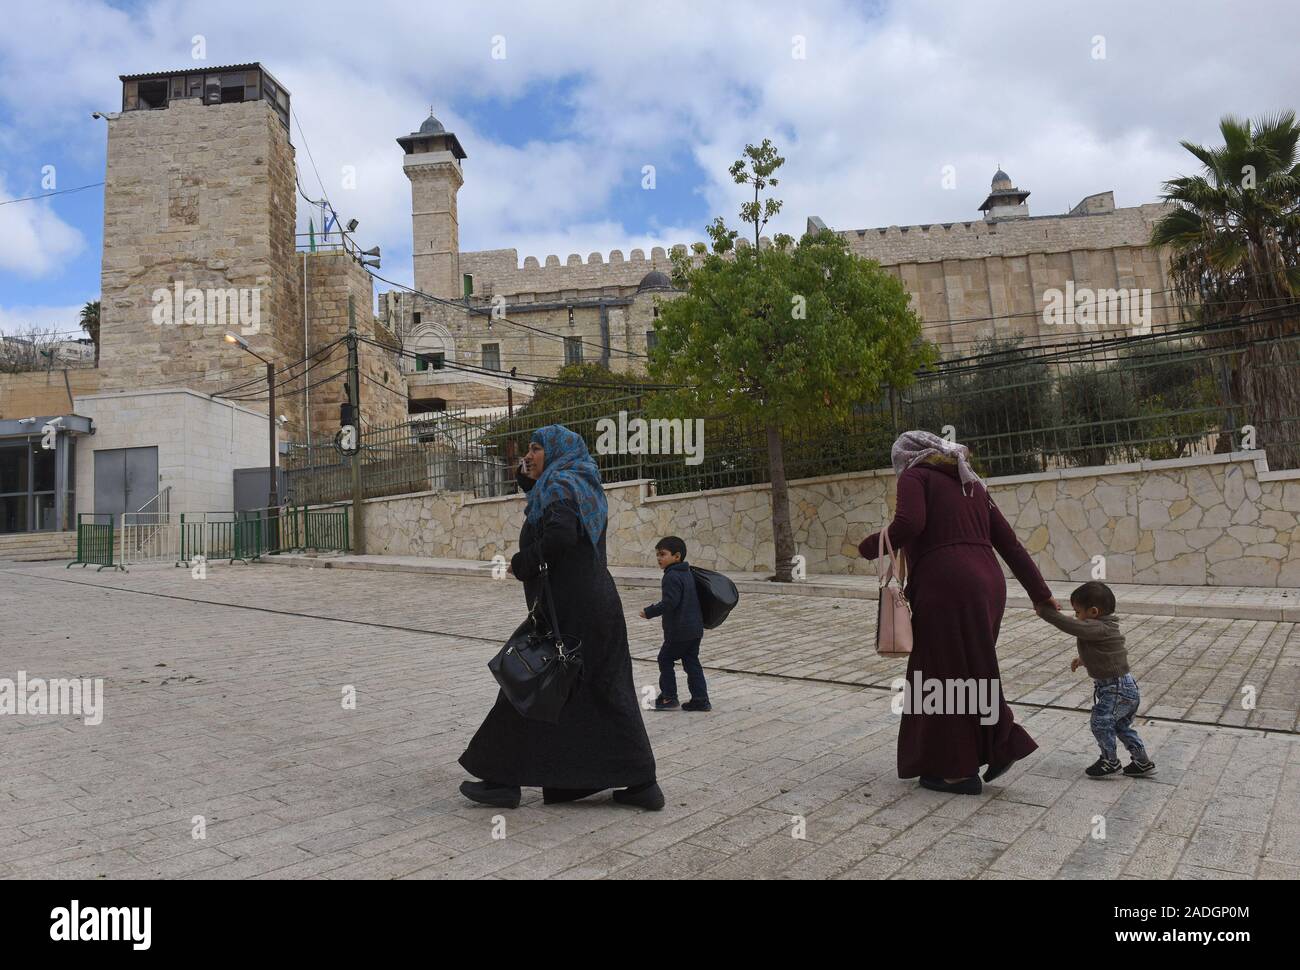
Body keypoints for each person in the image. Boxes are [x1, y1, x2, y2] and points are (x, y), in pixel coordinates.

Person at [458, 425, 664, 811]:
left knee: (531, 685)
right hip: (593, 606)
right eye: (529, 448)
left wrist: (524, 562)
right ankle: (618, 782)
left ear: (556, 453)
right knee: (593, 692)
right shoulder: (578, 481)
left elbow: (560, 535)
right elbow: (548, 507)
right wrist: (526, 474)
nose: (530, 455)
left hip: (576, 611)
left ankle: (501, 778)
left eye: (537, 448)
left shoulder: (559, 488)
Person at [858, 430, 1057, 795]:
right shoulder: (974, 485)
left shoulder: (915, 477)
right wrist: (1040, 595)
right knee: (968, 669)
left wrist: (870, 546)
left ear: (906, 456)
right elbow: (1009, 544)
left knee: (942, 676)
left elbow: (909, 524)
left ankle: (959, 769)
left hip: (946, 585)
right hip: (989, 586)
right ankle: (997, 745)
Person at [1036, 581, 1155, 778]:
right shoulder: (1104, 628)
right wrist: (1084, 660)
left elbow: (1071, 626)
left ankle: (1110, 761)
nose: (1076, 617)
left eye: (1077, 612)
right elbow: (1108, 653)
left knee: (1100, 722)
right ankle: (1142, 762)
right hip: (1123, 686)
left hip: (1116, 688)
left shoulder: (1099, 627)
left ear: (1093, 612)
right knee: (1119, 726)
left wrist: (1046, 612)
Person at [640, 536, 709, 712]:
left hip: (679, 630)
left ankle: (669, 698)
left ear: (676, 556)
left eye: (663, 554)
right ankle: (701, 700)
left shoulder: (671, 576)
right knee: (691, 662)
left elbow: (670, 602)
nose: (659, 558)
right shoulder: (687, 573)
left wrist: (649, 612)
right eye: (657, 554)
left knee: (664, 658)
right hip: (694, 629)